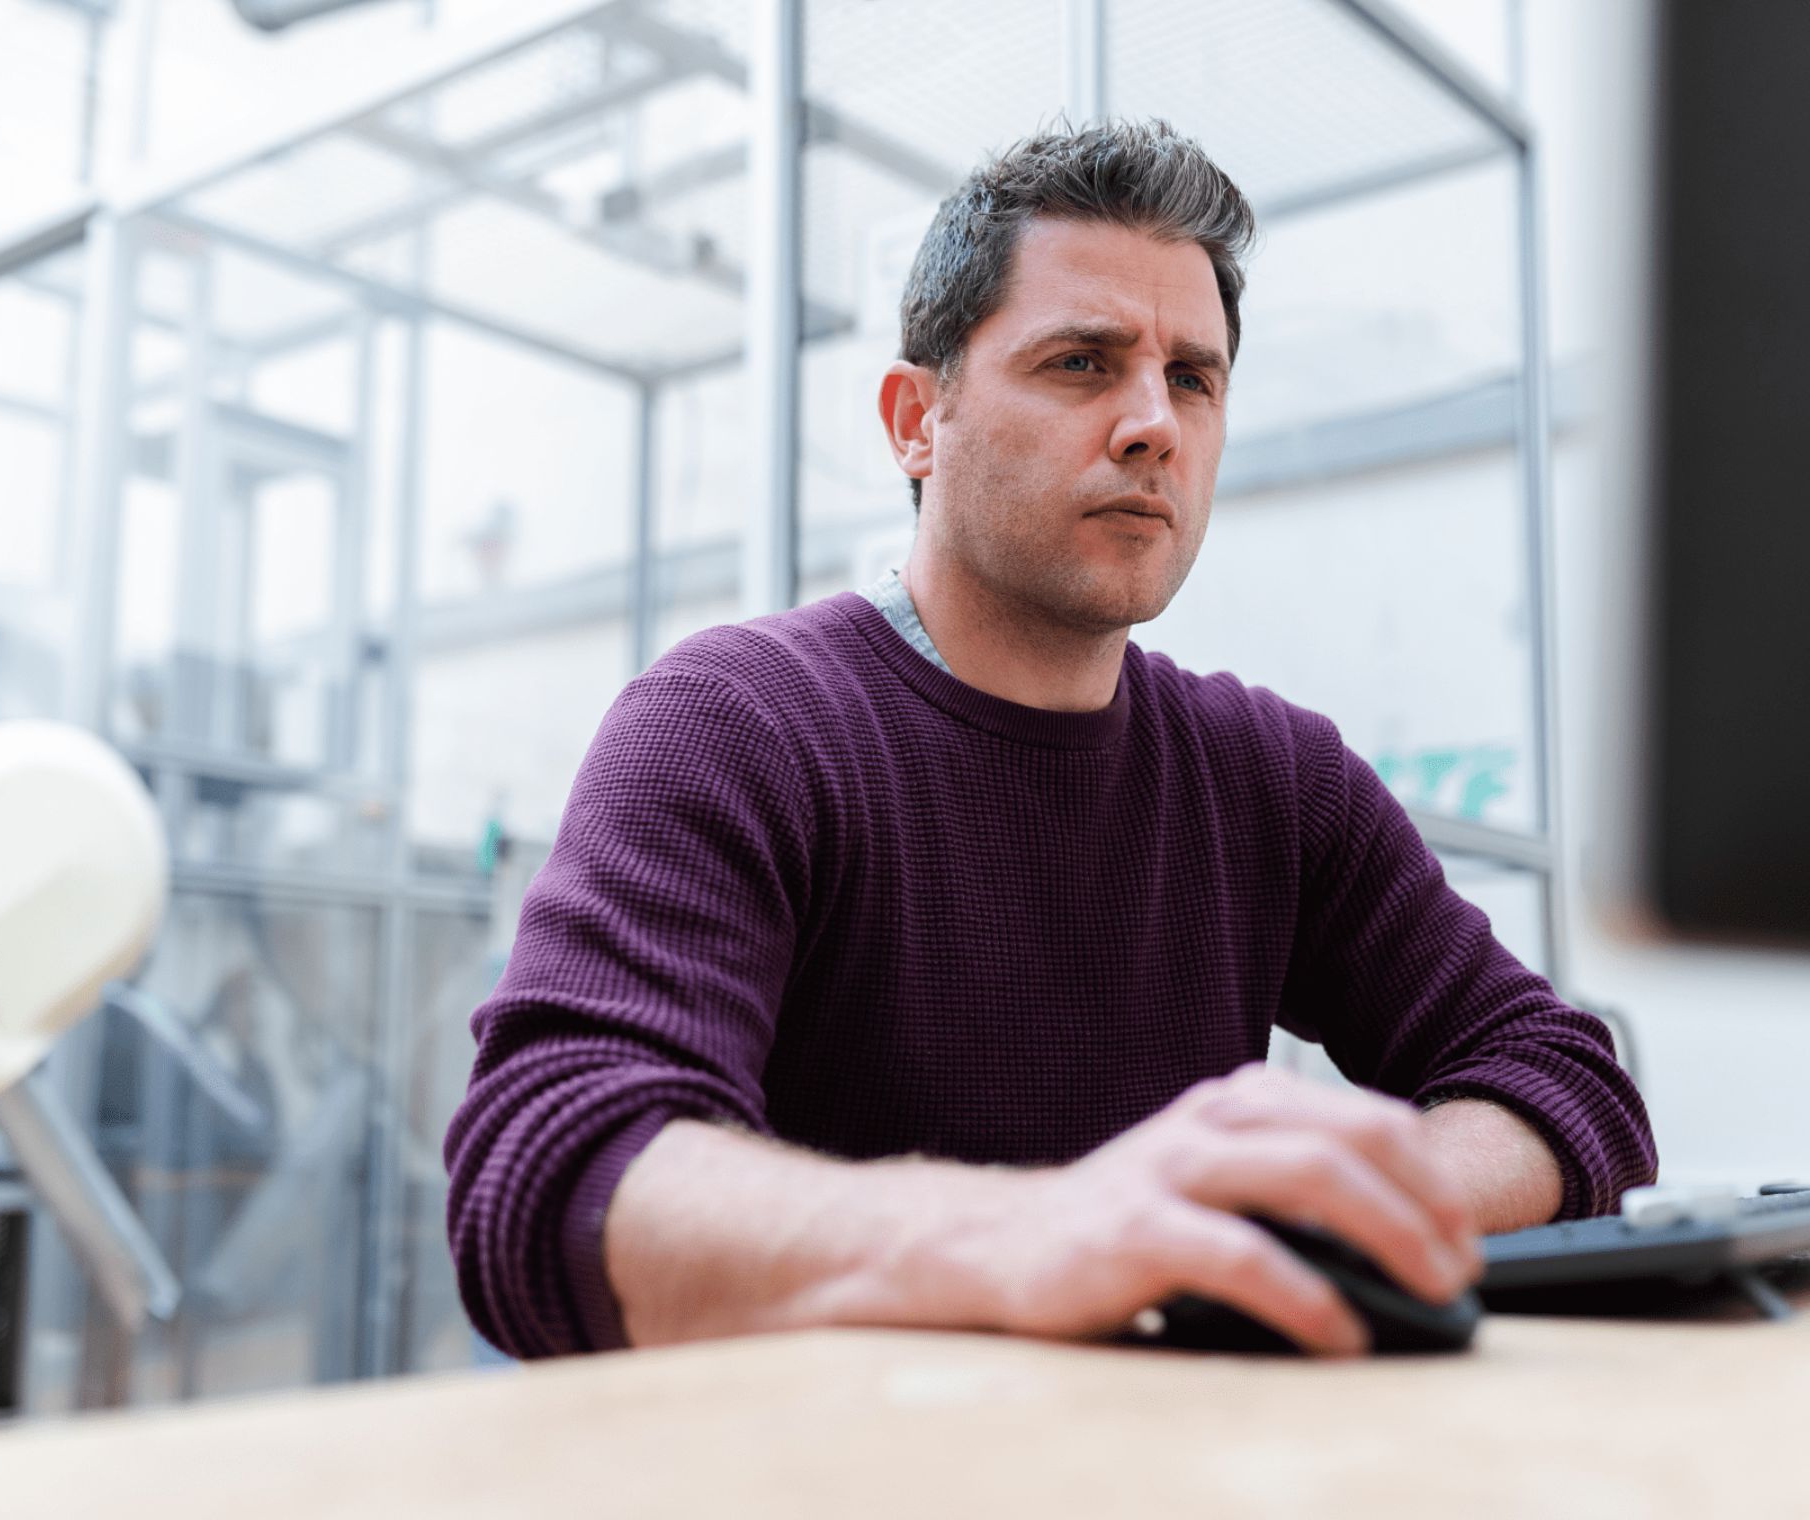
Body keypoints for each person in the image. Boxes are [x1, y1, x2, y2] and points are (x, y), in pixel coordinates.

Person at [445, 120, 1656, 1363]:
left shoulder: (1269, 778)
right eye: (1081, 363)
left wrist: (1315, 1207)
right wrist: (1043, 1230)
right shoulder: (740, 724)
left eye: (1192, 377)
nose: (1153, 426)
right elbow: (549, 1175)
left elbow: (1560, 1078)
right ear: (916, 419)